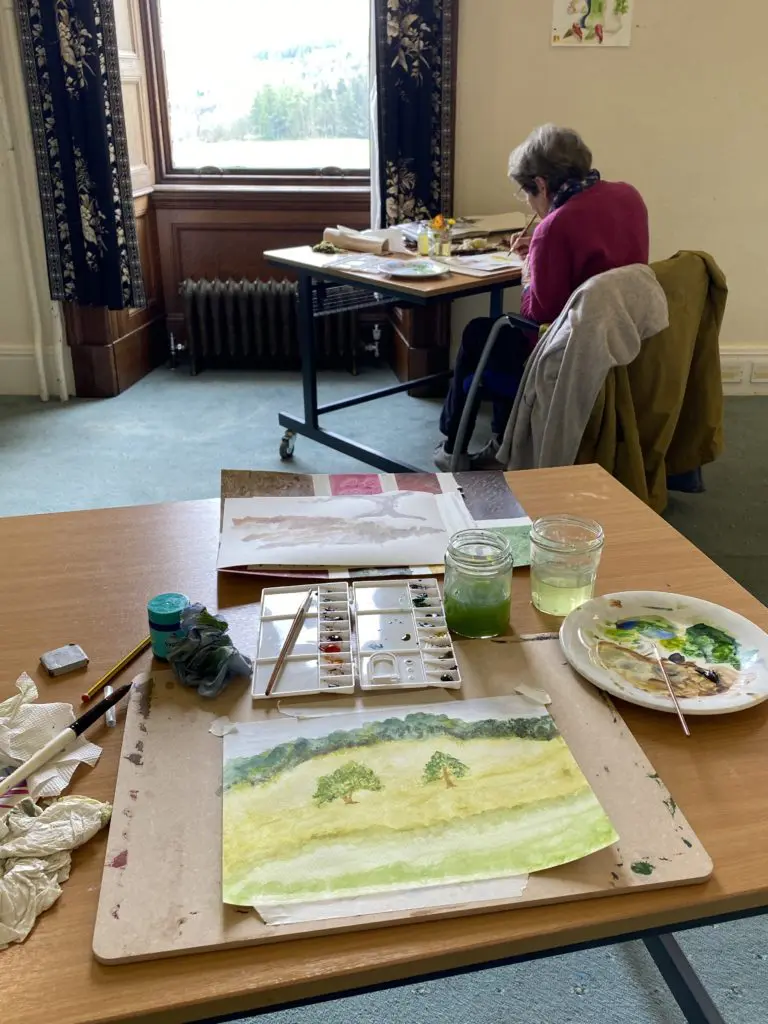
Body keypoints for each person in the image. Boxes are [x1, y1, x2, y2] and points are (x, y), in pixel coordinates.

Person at [434, 124, 650, 471]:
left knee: (480, 333)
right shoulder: (629, 196)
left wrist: (530, 268)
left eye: (527, 193)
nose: (530, 203)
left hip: (569, 354)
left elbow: (537, 317)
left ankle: (452, 446)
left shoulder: (554, 227)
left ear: (542, 184)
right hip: (626, 339)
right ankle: (503, 440)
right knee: (496, 335)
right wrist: (542, 251)